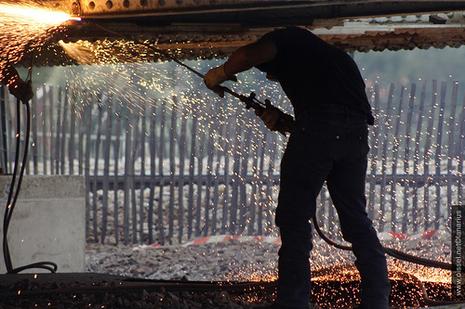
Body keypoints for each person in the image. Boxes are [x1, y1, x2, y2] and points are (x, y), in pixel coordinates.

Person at [204, 26, 390, 309]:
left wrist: (219, 74)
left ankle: (294, 302)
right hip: (355, 137)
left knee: (293, 220)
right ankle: (377, 302)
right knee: (356, 220)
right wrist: (290, 124)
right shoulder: (333, 59)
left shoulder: (285, 39)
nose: (271, 76)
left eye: (270, 71)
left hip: (318, 129)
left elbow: (249, 54)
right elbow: (335, 118)